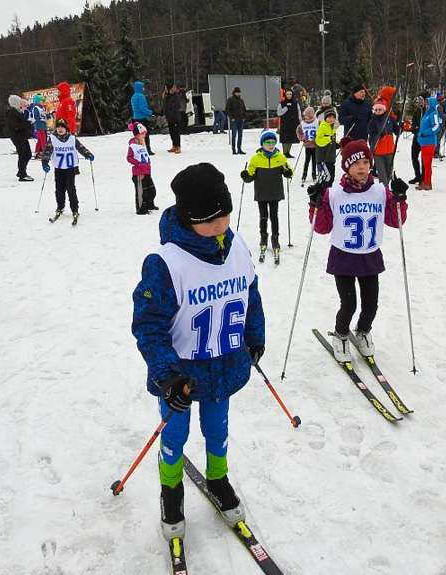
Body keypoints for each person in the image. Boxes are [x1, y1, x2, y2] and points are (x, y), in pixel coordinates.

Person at [131, 162, 265, 543]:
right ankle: (171, 490)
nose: (220, 224)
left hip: (225, 365)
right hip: (183, 376)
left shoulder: (236, 244)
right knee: (175, 435)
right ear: (189, 219)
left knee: (217, 430)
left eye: (224, 214)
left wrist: (254, 335)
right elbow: (149, 325)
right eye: (209, 220)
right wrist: (166, 373)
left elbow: (250, 293)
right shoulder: (165, 263)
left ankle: (218, 479)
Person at [305, 137, 408, 362]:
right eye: (355, 163)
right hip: (344, 256)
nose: (361, 167)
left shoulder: (380, 191)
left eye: (365, 162)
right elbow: (322, 227)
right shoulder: (335, 194)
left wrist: (399, 198)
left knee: (371, 304)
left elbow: (395, 220)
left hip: (370, 256)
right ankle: (341, 335)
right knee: (349, 303)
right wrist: (316, 203)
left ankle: (363, 331)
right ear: (346, 167)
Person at [240, 131, 293, 263]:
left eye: (273, 142)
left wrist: (288, 172)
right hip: (262, 193)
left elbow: (288, 172)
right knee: (263, 216)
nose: (270, 145)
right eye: (267, 143)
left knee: (274, 216)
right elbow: (250, 176)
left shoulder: (280, 158)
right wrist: (246, 175)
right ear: (262, 144)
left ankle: (275, 238)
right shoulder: (256, 159)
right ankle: (263, 237)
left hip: (275, 192)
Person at [41, 118, 94, 225]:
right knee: (59, 189)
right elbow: (47, 151)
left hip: (70, 168)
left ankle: (75, 208)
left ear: (66, 128)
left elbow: (81, 148)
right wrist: (45, 163)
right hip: (59, 168)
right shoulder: (52, 139)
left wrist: (88, 154)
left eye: (62, 127)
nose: (60, 129)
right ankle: (60, 207)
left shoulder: (72, 138)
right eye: (58, 127)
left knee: (71, 188)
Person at [127, 122, 158, 215]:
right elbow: (129, 158)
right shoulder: (133, 146)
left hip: (147, 171)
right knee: (141, 191)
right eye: (143, 134)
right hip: (139, 172)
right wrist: (138, 164)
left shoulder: (142, 145)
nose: (145, 135)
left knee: (151, 189)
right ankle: (141, 208)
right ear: (137, 135)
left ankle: (150, 203)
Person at [367, 98, 399, 187]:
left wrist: (401, 127)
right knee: (382, 174)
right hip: (378, 151)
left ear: (384, 109)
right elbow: (371, 134)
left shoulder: (389, 119)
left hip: (389, 150)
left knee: (389, 172)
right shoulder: (372, 121)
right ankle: (384, 190)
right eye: (376, 110)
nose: (377, 111)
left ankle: (386, 188)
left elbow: (397, 130)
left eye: (380, 109)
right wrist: (378, 136)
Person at [416, 96, 442, 190]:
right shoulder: (427, 114)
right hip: (424, 142)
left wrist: (425, 133)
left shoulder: (434, 113)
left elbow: (436, 127)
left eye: (428, 103)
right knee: (425, 163)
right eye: (426, 104)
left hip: (429, 142)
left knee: (427, 163)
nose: (426, 105)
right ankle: (426, 181)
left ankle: (428, 183)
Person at [6, 95, 33, 182]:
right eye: (19, 101)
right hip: (18, 137)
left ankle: (21, 171)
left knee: (28, 154)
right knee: (23, 155)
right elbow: (15, 126)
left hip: (22, 137)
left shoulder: (17, 112)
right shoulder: (12, 113)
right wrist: (27, 124)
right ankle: (22, 174)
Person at [315, 108, 339, 186]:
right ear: (325, 118)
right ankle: (323, 191)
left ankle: (328, 192)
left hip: (331, 157)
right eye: (329, 117)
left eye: (333, 117)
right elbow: (318, 141)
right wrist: (329, 138)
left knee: (332, 177)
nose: (331, 119)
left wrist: (338, 144)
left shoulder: (332, 128)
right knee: (328, 177)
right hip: (324, 157)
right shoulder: (323, 127)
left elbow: (332, 142)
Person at [131, 80, 155, 155]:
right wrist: (151, 112)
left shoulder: (134, 96)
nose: (144, 89)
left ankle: (138, 149)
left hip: (135, 118)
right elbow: (142, 108)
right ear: (140, 88)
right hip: (142, 118)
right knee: (145, 135)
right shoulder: (141, 96)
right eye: (143, 87)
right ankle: (147, 149)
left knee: (138, 135)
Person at [409, 94, 428, 183]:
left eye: (422, 99)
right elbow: (414, 120)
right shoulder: (418, 109)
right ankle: (417, 175)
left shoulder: (428, 110)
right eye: (419, 99)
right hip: (416, 136)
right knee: (414, 156)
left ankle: (423, 177)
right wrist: (413, 128)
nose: (420, 101)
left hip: (424, 137)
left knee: (424, 158)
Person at [276, 88, 301, 158]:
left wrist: (300, 122)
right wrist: (286, 108)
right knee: (285, 139)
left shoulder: (296, 103)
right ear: (285, 95)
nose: (289, 96)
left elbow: (299, 113)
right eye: (287, 94)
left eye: (290, 94)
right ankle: (285, 152)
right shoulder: (282, 103)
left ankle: (288, 152)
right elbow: (279, 113)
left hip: (293, 123)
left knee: (291, 138)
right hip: (285, 123)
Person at [297, 106, 319, 184]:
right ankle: (304, 175)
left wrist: (318, 138)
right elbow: (298, 131)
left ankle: (314, 176)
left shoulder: (317, 122)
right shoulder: (303, 123)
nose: (305, 116)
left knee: (314, 161)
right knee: (307, 161)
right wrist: (302, 138)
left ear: (310, 115)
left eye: (306, 115)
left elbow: (321, 130)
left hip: (315, 145)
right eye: (304, 115)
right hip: (307, 145)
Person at [163, 83, 184, 154]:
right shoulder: (167, 97)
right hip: (169, 118)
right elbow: (166, 107)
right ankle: (174, 145)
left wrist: (172, 114)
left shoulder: (176, 96)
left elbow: (177, 107)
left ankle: (178, 146)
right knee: (171, 132)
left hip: (175, 117)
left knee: (176, 133)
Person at [225, 87, 247, 155]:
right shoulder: (230, 100)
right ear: (234, 93)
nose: (238, 94)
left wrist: (244, 117)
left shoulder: (241, 100)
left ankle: (239, 149)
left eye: (239, 93)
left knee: (240, 135)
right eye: (237, 92)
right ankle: (233, 149)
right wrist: (231, 118)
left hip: (241, 120)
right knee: (234, 135)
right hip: (234, 121)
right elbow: (227, 109)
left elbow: (244, 109)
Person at [30, 94, 48, 160]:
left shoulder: (42, 107)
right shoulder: (36, 108)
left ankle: (37, 153)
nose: (42, 101)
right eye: (41, 100)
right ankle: (45, 153)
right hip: (39, 126)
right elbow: (36, 117)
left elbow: (44, 116)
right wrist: (41, 119)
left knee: (40, 141)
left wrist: (50, 115)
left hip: (43, 126)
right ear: (38, 101)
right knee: (43, 140)